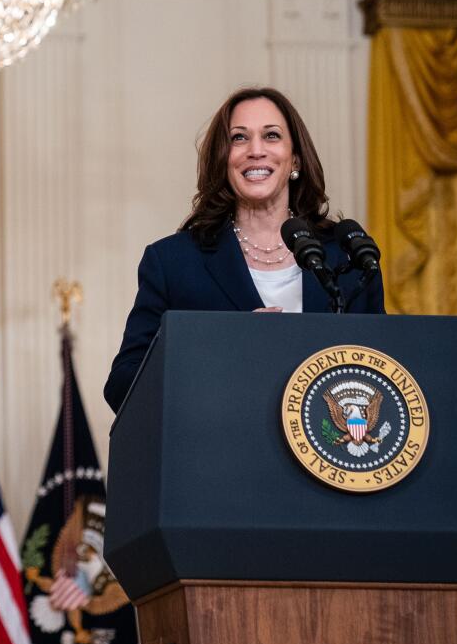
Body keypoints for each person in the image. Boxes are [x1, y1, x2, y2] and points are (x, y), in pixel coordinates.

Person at [103, 86, 385, 413]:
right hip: (219, 454)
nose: (255, 150)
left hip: (327, 452)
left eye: (271, 136)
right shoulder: (173, 263)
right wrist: (226, 349)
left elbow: (383, 367)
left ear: (295, 159)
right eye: (239, 138)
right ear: (223, 159)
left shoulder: (347, 257)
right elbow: (123, 384)